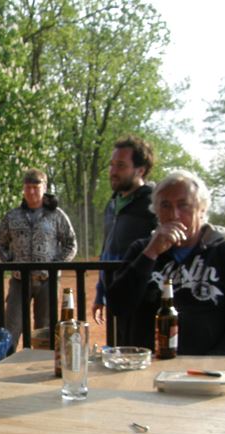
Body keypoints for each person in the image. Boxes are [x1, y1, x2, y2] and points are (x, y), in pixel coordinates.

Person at [107, 169, 225, 355]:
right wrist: (151, 253)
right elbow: (118, 306)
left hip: (206, 366)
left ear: (202, 210)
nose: (174, 215)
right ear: (156, 211)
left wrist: (205, 366)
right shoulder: (141, 250)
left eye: (183, 205)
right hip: (149, 363)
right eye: (165, 206)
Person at [0, 168, 77, 349]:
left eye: (35, 187)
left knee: (45, 329)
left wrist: (56, 265)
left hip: (47, 281)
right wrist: (10, 263)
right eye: (28, 187)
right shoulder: (12, 216)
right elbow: (0, 244)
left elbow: (71, 243)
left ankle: (40, 362)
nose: (31, 191)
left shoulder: (56, 215)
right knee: (11, 327)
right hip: (19, 281)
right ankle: (6, 361)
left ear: (44, 188)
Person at [91, 136, 158, 343]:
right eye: (112, 165)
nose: (113, 171)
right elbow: (107, 249)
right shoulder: (112, 204)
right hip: (115, 295)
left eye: (121, 165)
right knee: (116, 351)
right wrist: (100, 293)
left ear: (141, 170)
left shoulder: (154, 204)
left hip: (143, 297)